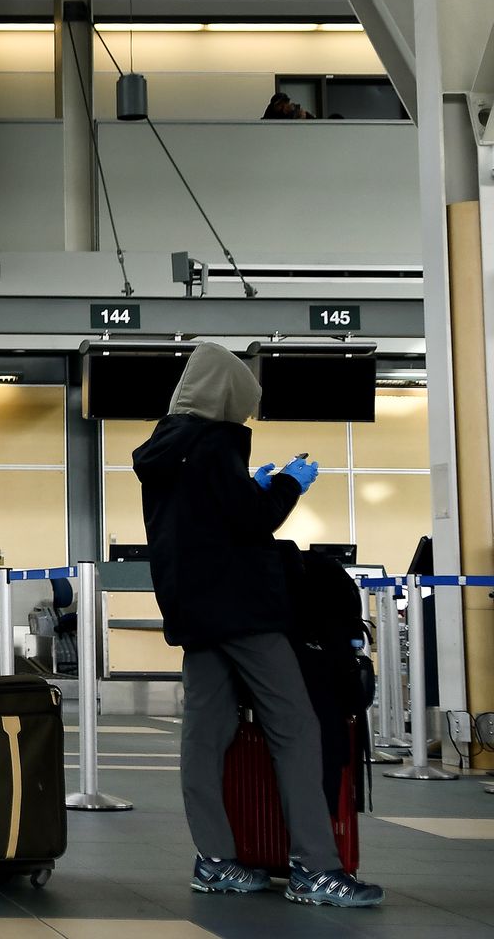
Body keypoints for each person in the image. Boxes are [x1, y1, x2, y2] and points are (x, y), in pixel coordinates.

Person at [132, 342, 384, 908]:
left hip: (193, 611)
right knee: (295, 726)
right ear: (230, 396)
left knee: (205, 732)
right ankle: (315, 867)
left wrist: (254, 487)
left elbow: (211, 515)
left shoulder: (161, 448)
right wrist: (287, 486)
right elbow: (251, 522)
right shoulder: (217, 441)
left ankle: (215, 860)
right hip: (243, 609)